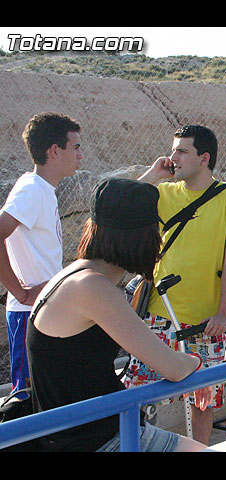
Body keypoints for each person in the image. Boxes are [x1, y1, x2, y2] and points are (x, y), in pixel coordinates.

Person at [26, 178, 207, 452]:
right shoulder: (93, 288)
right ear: (141, 238)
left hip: (77, 433)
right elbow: (173, 367)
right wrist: (196, 363)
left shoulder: (74, 275)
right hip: (94, 440)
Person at [123, 125, 226, 445]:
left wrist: (224, 314)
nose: (173, 157)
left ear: (204, 158)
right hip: (159, 312)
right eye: (173, 150)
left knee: (203, 400)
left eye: (182, 151)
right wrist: (153, 175)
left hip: (204, 320)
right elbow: (120, 205)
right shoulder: (162, 193)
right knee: (137, 394)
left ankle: (199, 449)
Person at [0, 112, 82, 402]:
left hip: (44, 311)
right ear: (55, 151)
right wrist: (20, 292)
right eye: (75, 147)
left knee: (48, 398)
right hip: (28, 313)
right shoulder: (32, 189)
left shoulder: (42, 189)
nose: (80, 155)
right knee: (27, 400)